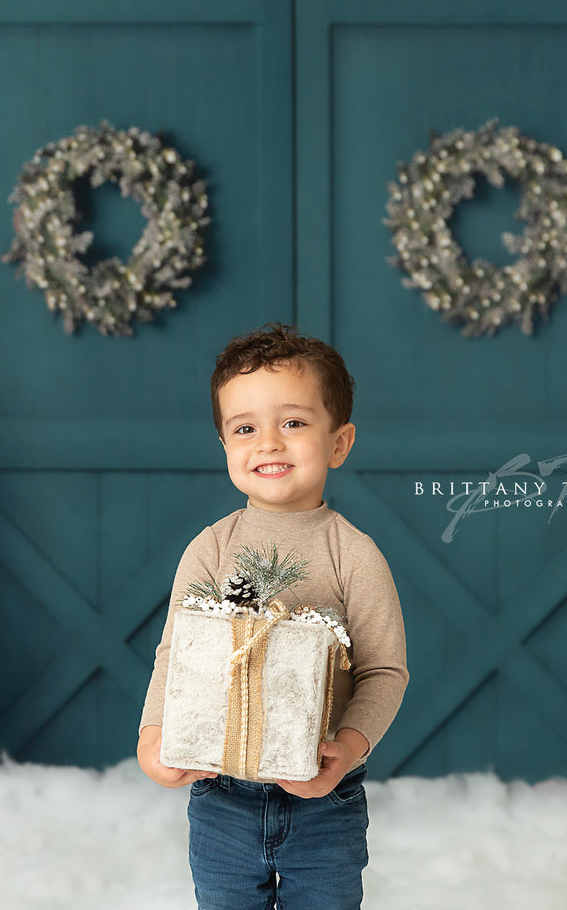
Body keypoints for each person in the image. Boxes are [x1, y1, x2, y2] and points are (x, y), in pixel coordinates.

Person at [137, 322, 409, 909]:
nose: (268, 444)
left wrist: (349, 747)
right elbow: (176, 653)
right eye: (245, 428)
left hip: (323, 800)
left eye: (293, 423)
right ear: (225, 446)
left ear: (339, 443)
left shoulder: (353, 554)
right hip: (222, 795)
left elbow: (384, 671)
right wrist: (153, 731)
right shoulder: (210, 548)